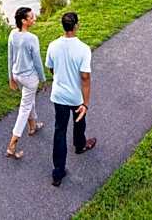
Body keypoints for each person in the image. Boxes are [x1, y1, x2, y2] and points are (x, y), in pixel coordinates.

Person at [45, 11, 96, 186]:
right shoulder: (83, 49)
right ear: (76, 26)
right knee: (79, 121)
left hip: (58, 95)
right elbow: (85, 77)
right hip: (75, 97)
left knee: (59, 131)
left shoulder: (52, 45)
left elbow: (51, 69)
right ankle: (80, 145)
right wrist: (86, 103)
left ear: (63, 25)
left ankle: (58, 173)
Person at [5, 6, 46, 159]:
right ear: (24, 21)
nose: (34, 19)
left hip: (17, 76)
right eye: (31, 17)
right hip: (29, 78)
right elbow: (37, 62)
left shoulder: (12, 34)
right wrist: (43, 79)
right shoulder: (32, 38)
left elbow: (10, 57)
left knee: (28, 100)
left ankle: (33, 126)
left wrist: (10, 77)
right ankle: (12, 145)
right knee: (25, 107)